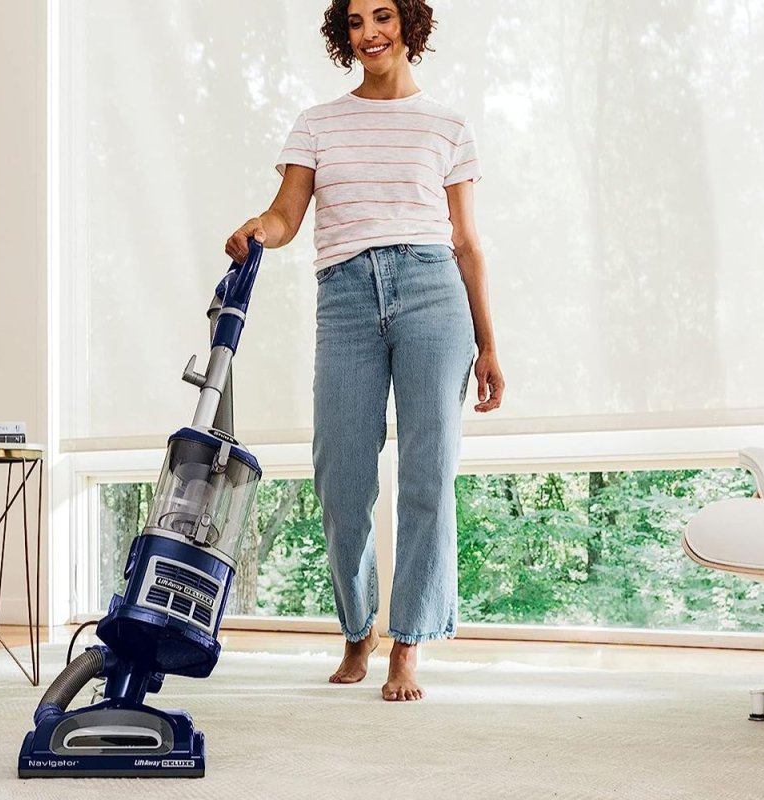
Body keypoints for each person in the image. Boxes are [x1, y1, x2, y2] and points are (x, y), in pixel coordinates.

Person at [224, 0, 504, 702]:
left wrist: (490, 346)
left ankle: (407, 642)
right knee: (342, 479)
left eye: (383, 16)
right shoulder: (318, 122)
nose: (370, 32)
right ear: (342, 34)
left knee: (427, 475)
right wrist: (258, 226)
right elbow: (287, 215)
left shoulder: (449, 125)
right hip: (346, 296)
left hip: (433, 292)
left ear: (410, 25)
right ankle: (358, 628)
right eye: (355, 22)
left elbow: (468, 243)